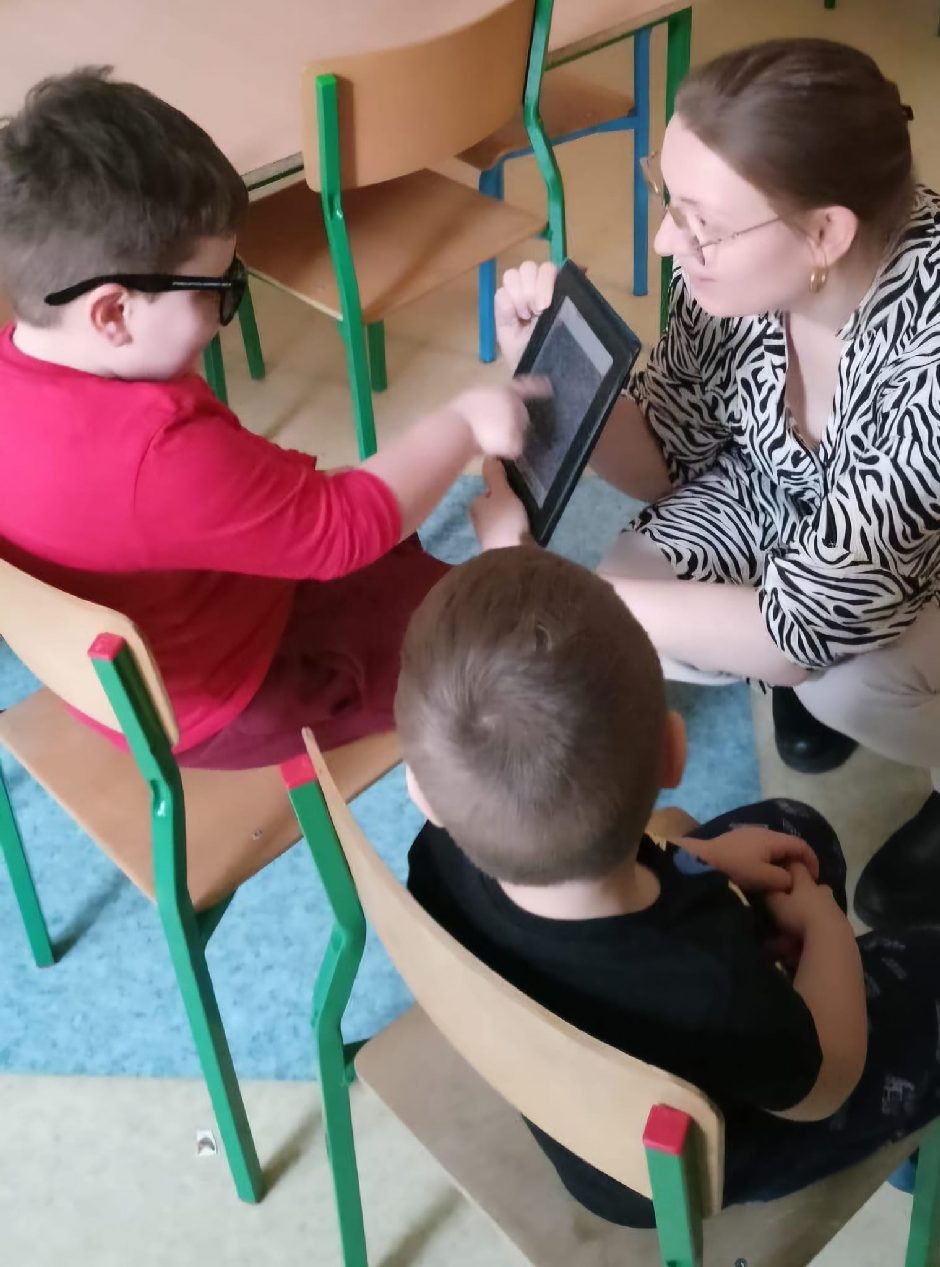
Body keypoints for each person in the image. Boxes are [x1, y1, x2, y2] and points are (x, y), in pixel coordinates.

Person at [493, 37, 940, 930]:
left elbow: (800, 627)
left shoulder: (926, 360)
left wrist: (559, 592)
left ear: (825, 233)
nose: (667, 240)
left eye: (699, 221)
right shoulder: (735, 270)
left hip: (905, 554)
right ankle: (800, 692)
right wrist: (547, 374)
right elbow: (666, 450)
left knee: (842, 682)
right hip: (796, 491)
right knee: (639, 586)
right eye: (669, 198)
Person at [0, 68, 543, 769]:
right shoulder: (159, 452)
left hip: (162, 648)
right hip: (242, 688)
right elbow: (347, 530)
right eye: (214, 290)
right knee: (509, 655)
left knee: (402, 541)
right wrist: (465, 419)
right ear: (112, 313)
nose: (223, 311)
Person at [395, 546, 940, 1227]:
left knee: (796, 831)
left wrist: (699, 855)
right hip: (678, 1169)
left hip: (574, 1080)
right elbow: (827, 1083)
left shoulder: (435, 859)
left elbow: (610, 887)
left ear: (424, 795)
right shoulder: (715, 987)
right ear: (674, 753)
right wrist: (824, 921)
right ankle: (901, 1123)